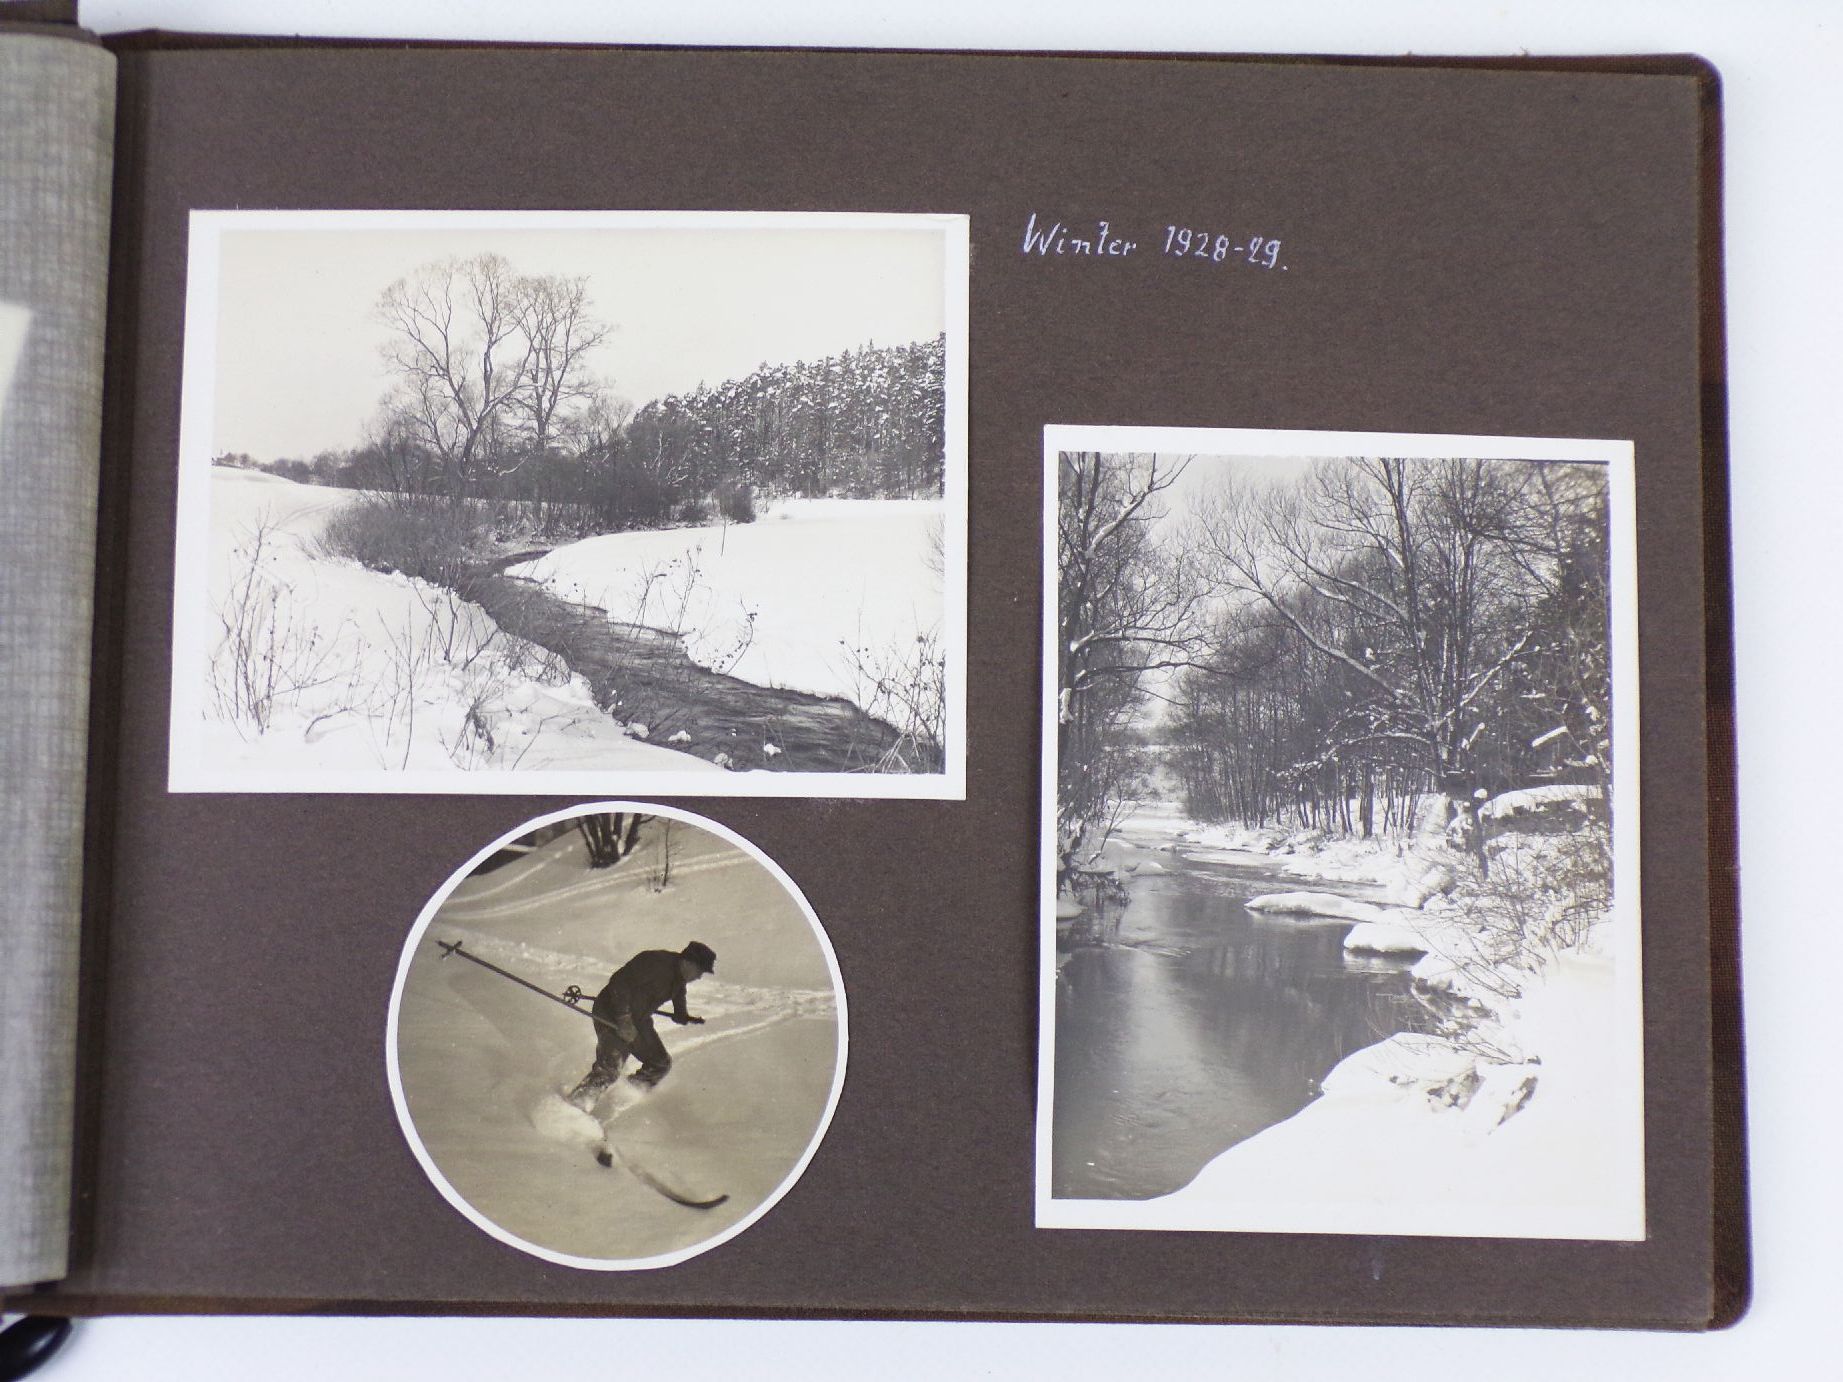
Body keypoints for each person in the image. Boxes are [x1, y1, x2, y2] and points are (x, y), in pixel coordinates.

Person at [568, 941, 716, 1106]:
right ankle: (575, 1105)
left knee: (659, 1063)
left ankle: (619, 1100)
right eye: (699, 971)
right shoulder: (654, 962)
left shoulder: (679, 976)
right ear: (688, 962)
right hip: (611, 1012)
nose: (699, 977)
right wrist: (624, 1019)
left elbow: (678, 992)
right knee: (609, 1067)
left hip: (639, 1020)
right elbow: (619, 983)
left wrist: (681, 1013)